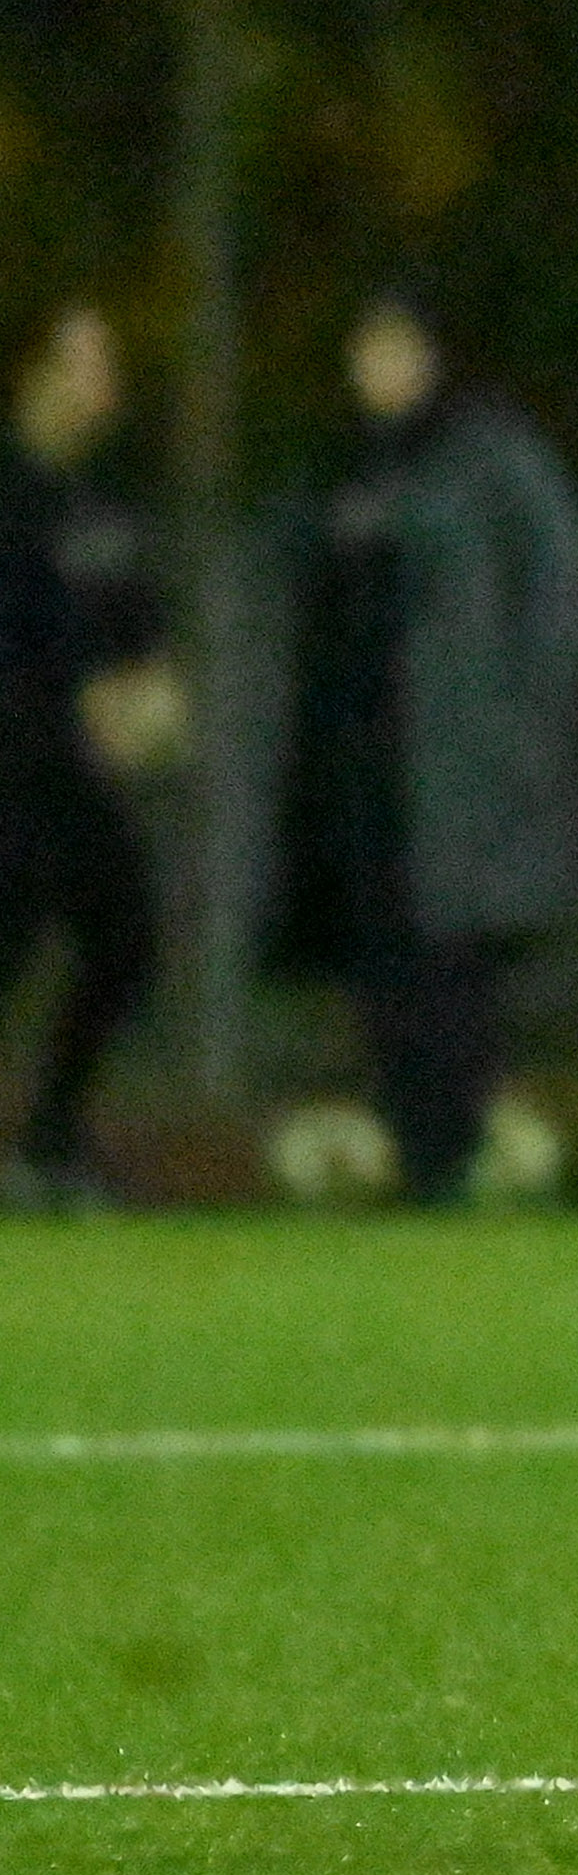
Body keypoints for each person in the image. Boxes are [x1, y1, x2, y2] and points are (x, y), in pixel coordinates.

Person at [274, 285, 578, 1203]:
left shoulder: (490, 459)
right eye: (368, 350)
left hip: (457, 765)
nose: (382, 370)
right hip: (358, 760)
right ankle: (412, 1150)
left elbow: (555, 587)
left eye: (400, 348)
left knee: (453, 960)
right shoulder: (342, 468)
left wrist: (522, 726)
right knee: (376, 959)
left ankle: (454, 1149)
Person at [3, 300, 174, 1205]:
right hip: (14, 768)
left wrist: (153, 694)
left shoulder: (106, 499)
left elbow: (135, 623)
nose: (98, 385)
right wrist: (79, 691)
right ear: (32, 376)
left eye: (104, 365)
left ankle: (51, 1139)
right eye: (78, 363)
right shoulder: (12, 489)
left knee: (124, 943)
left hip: (75, 779)